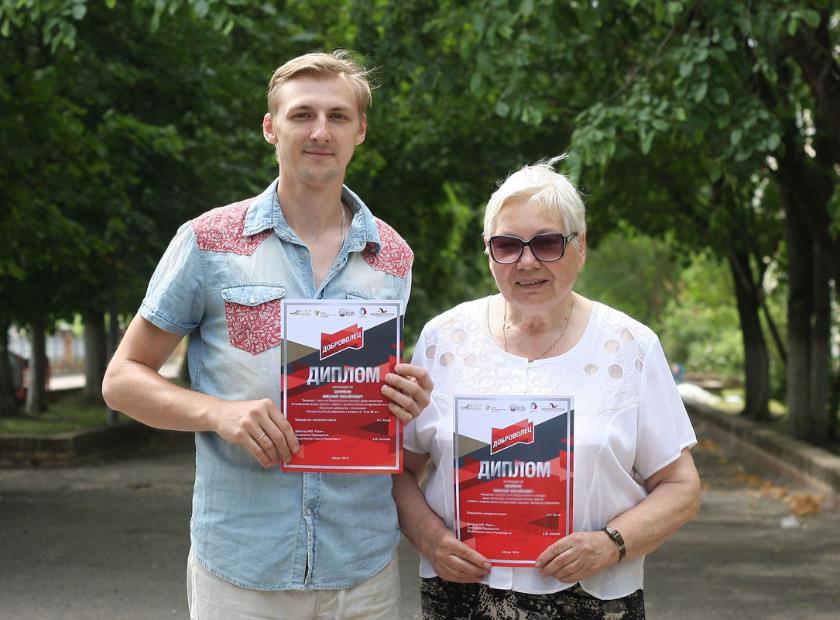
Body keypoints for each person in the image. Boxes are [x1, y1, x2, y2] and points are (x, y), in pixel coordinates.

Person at [103, 50, 432, 620]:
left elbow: (376, 398)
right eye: (302, 114)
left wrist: (406, 397)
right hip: (242, 565)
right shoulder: (208, 241)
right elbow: (121, 380)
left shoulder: (392, 255)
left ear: (359, 131)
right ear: (270, 128)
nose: (320, 131)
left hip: (362, 566)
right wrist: (218, 414)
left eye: (337, 116)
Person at [393, 159, 701, 619]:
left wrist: (610, 544)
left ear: (580, 247)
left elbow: (681, 486)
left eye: (547, 243)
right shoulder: (444, 339)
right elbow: (400, 468)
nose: (527, 261)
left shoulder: (630, 348)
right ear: (488, 252)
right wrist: (430, 539)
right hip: (462, 597)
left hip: (592, 598)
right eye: (507, 245)